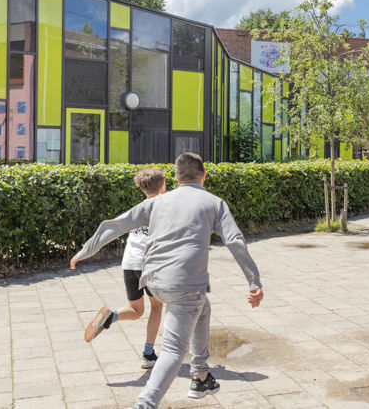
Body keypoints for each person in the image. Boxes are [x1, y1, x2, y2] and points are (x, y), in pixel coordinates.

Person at [69, 152, 263, 409]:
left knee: (203, 308)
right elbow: (235, 240)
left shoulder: (157, 202)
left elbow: (116, 225)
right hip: (184, 285)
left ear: (177, 178)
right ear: (204, 176)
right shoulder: (214, 203)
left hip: (153, 282)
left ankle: (200, 376)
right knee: (173, 349)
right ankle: (145, 404)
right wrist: (254, 282)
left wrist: (85, 251)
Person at [70, 167, 166, 370]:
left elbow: (111, 228)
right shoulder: (166, 207)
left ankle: (110, 317)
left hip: (129, 263)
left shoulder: (136, 211)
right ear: (163, 186)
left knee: (136, 310)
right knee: (157, 307)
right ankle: (148, 354)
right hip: (148, 265)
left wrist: (83, 253)